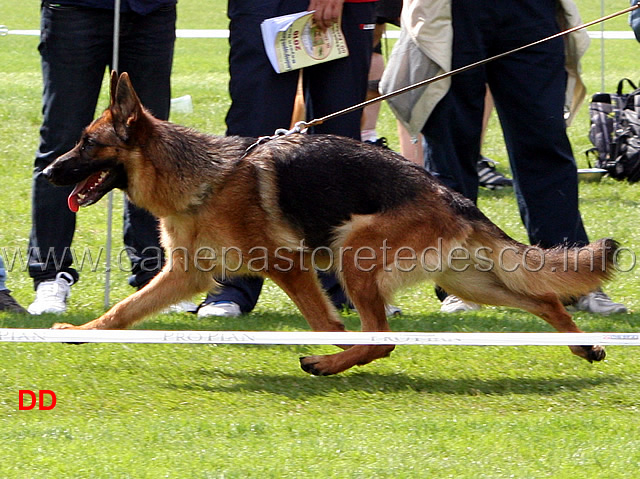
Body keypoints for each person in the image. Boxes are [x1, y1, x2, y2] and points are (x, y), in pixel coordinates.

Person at [381, 0, 626, 315]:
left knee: (545, 145)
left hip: (531, 11)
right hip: (454, 12)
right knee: (450, 154)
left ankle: (576, 283)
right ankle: (459, 286)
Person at [198, 0, 384, 318]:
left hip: (349, 8)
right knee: (250, 145)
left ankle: (347, 285)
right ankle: (232, 285)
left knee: (340, 150)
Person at [27, 0, 196, 314]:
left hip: (150, 11)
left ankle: (154, 273)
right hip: (74, 9)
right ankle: (50, 275)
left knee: (149, 147)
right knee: (61, 140)